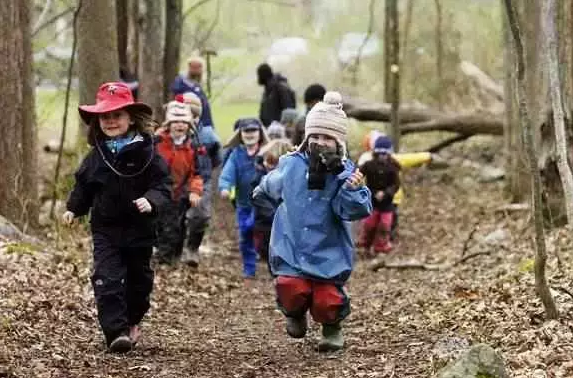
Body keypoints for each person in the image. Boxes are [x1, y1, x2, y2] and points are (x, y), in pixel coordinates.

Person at [253, 91, 372, 351]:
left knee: (327, 298)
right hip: (291, 245)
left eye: (327, 138)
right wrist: (267, 197)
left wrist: (351, 188)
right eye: (315, 136)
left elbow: (356, 210)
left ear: (339, 142)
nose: (320, 143)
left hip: (329, 249)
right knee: (290, 287)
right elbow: (269, 187)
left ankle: (331, 328)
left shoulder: (347, 173)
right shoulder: (291, 165)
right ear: (306, 138)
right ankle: (294, 314)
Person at [63, 82, 172, 353]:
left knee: (139, 282)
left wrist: (152, 200)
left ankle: (132, 320)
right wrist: (74, 209)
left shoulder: (147, 153)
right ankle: (115, 333)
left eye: (117, 115)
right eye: (105, 117)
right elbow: (84, 185)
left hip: (140, 230)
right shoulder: (96, 156)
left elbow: (163, 185)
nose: (110, 121)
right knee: (106, 279)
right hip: (106, 229)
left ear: (131, 118)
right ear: (97, 121)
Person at [218, 118, 269, 284]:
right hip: (243, 203)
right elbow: (227, 173)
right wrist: (225, 186)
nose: (250, 135)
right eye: (246, 131)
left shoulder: (267, 152)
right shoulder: (236, 154)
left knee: (263, 232)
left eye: (253, 131)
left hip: (264, 204)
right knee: (245, 234)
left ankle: (274, 266)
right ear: (240, 134)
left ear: (260, 133)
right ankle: (249, 268)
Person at [155, 100, 204, 265]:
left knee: (177, 225)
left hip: (180, 193)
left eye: (184, 122)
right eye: (175, 121)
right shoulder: (158, 142)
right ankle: (163, 256)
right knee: (160, 224)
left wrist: (195, 191)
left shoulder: (193, 147)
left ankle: (171, 256)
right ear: (168, 124)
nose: (180, 125)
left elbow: (197, 173)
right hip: (159, 190)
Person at [179, 92, 222, 267]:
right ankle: (176, 247)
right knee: (178, 216)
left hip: (203, 180)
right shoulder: (176, 133)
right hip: (180, 181)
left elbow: (217, 158)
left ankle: (193, 247)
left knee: (201, 215)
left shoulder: (208, 136)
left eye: (193, 115)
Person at [251, 138, 293, 274]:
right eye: (265, 161)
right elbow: (257, 199)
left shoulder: (291, 182)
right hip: (267, 227)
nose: (266, 165)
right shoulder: (261, 181)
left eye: (270, 163)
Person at [357, 135, 401, 254]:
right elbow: (358, 173)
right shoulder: (369, 165)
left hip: (387, 203)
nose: (382, 157)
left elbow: (396, 184)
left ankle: (381, 246)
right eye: (380, 153)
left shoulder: (393, 167)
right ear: (375, 153)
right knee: (369, 224)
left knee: (385, 225)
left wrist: (386, 193)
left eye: (385, 154)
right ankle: (365, 243)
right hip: (372, 201)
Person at [170, 56, 215, 128]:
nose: (197, 70)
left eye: (199, 67)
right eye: (194, 67)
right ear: (190, 67)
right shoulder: (181, 81)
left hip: (204, 120)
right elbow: (177, 98)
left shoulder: (197, 84)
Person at [257, 63, 296, 127]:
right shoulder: (267, 90)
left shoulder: (281, 88)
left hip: (279, 129)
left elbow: (288, 110)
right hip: (268, 127)